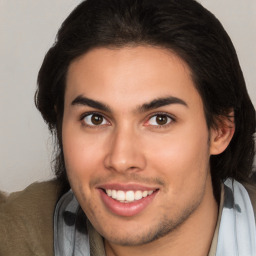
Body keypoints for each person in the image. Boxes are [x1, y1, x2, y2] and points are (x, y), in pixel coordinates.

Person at [0, 0, 255, 255]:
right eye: (95, 119)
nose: (121, 159)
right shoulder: (13, 236)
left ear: (220, 130)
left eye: (160, 119)